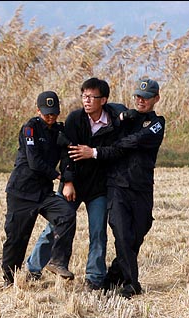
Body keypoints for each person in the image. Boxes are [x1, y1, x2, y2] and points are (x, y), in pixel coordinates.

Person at [26, 78, 126, 291]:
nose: (87, 101)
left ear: (104, 100)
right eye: (84, 96)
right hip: (74, 182)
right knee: (56, 224)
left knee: (98, 231)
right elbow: (66, 152)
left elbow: (118, 151)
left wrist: (93, 153)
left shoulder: (114, 123)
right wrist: (68, 181)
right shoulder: (75, 119)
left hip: (98, 186)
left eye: (91, 97)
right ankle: (33, 268)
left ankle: (95, 278)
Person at [68, 78, 165, 298]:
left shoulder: (158, 122)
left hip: (141, 186)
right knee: (121, 234)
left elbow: (136, 141)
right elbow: (109, 138)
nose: (141, 101)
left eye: (147, 97)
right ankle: (132, 283)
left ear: (155, 99)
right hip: (117, 185)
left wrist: (117, 145)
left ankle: (113, 276)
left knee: (138, 233)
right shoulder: (122, 118)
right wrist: (104, 146)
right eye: (138, 97)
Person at [2, 90, 77, 287]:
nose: (51, 118)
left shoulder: (59, 132)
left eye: (54, 113)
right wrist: (57, 175)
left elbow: (67, 158)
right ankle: (10, 280)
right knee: (16, 238)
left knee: (67, 214)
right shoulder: (30, 128)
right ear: (38, 111)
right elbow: (34, 162)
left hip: (43, 193)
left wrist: (67, 178)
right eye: (46, 114)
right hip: (22, 191)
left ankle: (57, 261)